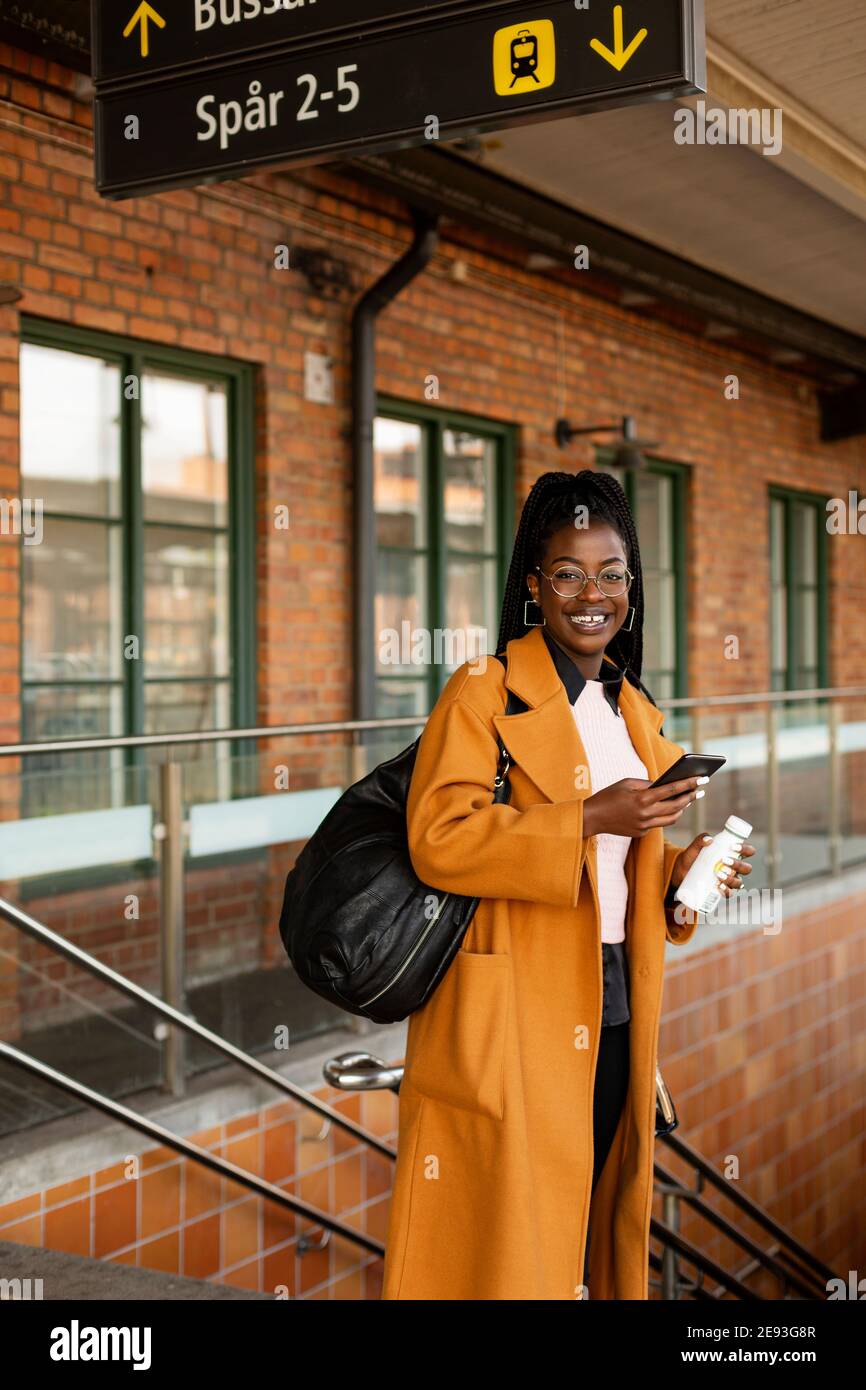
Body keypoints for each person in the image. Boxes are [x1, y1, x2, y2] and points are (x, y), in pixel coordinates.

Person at [380, 470, 754, 1301]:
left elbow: (626, 867)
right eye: (569, 573)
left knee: (589, 1223)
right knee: (510, 1247)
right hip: (512, 1011)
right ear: (533, 587)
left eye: (612, 573)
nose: (594, 594)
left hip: (617, 1004)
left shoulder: (636, 711)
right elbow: (439, 839)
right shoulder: (484, 690)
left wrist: (685, 873)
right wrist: (586, 817)